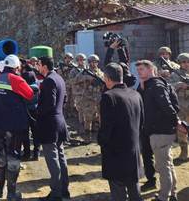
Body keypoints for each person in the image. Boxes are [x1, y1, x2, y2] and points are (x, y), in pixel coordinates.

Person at [0, 54, 34, 200]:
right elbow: (30, 95)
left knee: (0, 156)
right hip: (13, 127)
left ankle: (0, 191)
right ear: (16, 68)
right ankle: (11, 193)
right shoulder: (16, 79)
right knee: (13, 157)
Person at [136, 60, 184, 201]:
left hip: (160, 132)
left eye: (142, 69)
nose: (139, 72)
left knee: (163, 167)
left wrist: (177, 122)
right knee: (167, 164)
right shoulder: (149, 85)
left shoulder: (156, 86)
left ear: (151, 70)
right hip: (158, 131)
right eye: (138, 70)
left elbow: (167, 107)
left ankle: (164, 197)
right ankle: (172, 193)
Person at [98, 63, 144, 201]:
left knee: (118, 194)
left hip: (115, 153)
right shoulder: (136, 94)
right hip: (133, 150)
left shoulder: (108, 96)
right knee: (135, 191)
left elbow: (106, 128)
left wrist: (101, 141)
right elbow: (141, 122)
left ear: (107, 78)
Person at [35, 56, 70, 201]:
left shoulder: (49, 80)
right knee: (61, 157)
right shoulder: (59, 78)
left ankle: (56, 193)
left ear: (43, 66)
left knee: (53, 158)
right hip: (59, 121)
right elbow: (65, 99)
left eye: (38, 64)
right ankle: (64, 190)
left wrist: (36, 112)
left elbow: (49, 104)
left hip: (50, 124)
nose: (37, 67)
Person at [74, 54, 104, 133]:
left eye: (95, 62)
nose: (93, 64)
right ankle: (87, 134)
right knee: (88, 118)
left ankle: (96, 132)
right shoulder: (85, 72)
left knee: (97, 117)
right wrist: (87, 78)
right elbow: (75, 80)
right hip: (88, 98)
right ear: (89, 62)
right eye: (92, 62)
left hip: (98, 97)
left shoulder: (100, 72)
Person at [170, 53, 189, 162]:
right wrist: (179, 85)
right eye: (183, 62)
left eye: (188, 62)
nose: (186, 64)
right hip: (181, 106)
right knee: (181, 130)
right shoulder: (175, 74)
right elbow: (169, 86)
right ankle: (184, 152)